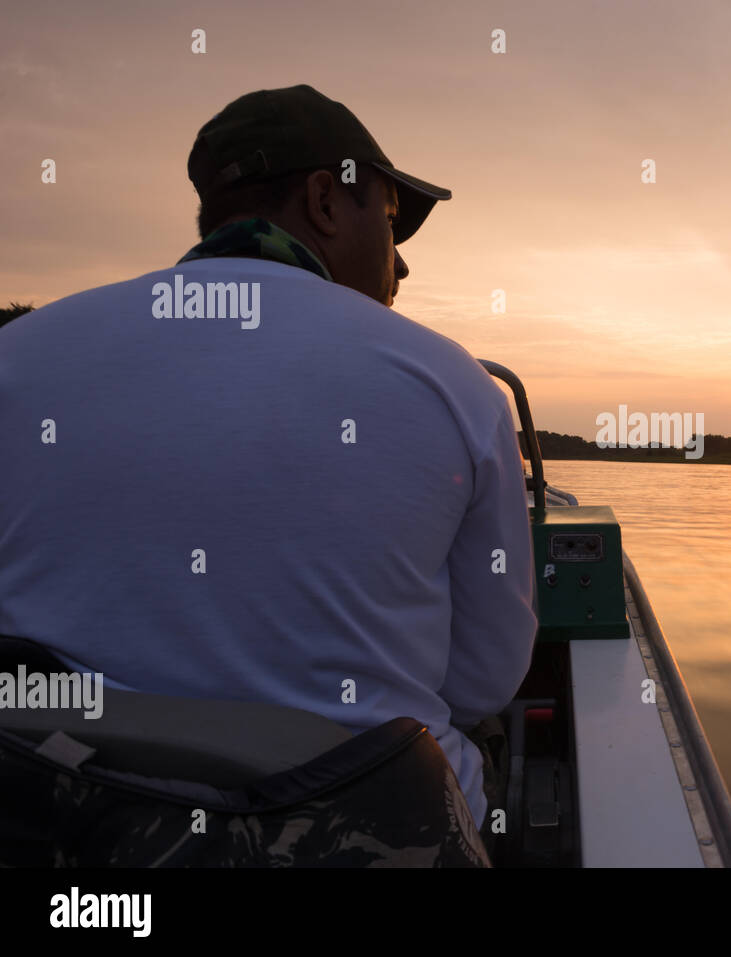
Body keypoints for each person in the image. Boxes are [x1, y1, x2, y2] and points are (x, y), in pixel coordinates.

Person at [0, 85, 537, 845]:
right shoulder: (449, 383)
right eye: (388, 220)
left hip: (59, 832)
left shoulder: (17, 357)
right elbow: (485, 679)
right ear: (324, 200)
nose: (401, 264)